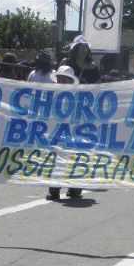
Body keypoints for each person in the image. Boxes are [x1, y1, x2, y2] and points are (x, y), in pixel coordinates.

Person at [46, 65, 84, 201]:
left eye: (65, 78)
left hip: (73, 132)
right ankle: (54, 190)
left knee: (74, 160)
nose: (62, 80)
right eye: (60, 78)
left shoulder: (78, 95)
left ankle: (75, 188)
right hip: (57, 132)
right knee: (57, 161)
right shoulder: (53, 93)